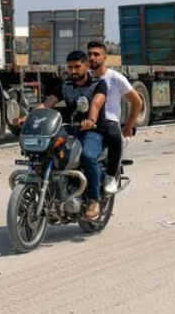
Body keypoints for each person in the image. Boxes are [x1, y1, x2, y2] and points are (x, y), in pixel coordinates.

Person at [36, 50, 107, 221]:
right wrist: (28, 117)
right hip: (70, 129)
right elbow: (47, 105)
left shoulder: (98, 84)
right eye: (70, 67)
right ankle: (52, 194)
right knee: (46, 151)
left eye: (77, 66)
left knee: (87, 156)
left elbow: (96, 104)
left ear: (87, 66)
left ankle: (93, 200)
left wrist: (90, 120)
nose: (73, 71)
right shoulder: (65, 86)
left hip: (92, 130)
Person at [86, 40, 142, 195]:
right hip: (89, 120)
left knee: (114, 136)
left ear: (105, 57)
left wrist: (128, 126)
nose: (92, 57)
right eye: (89, 54)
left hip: (109, 120)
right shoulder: (85, 78)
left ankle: (111, 176)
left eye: (96, 54)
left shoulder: (116, 78)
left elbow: (137, 102)